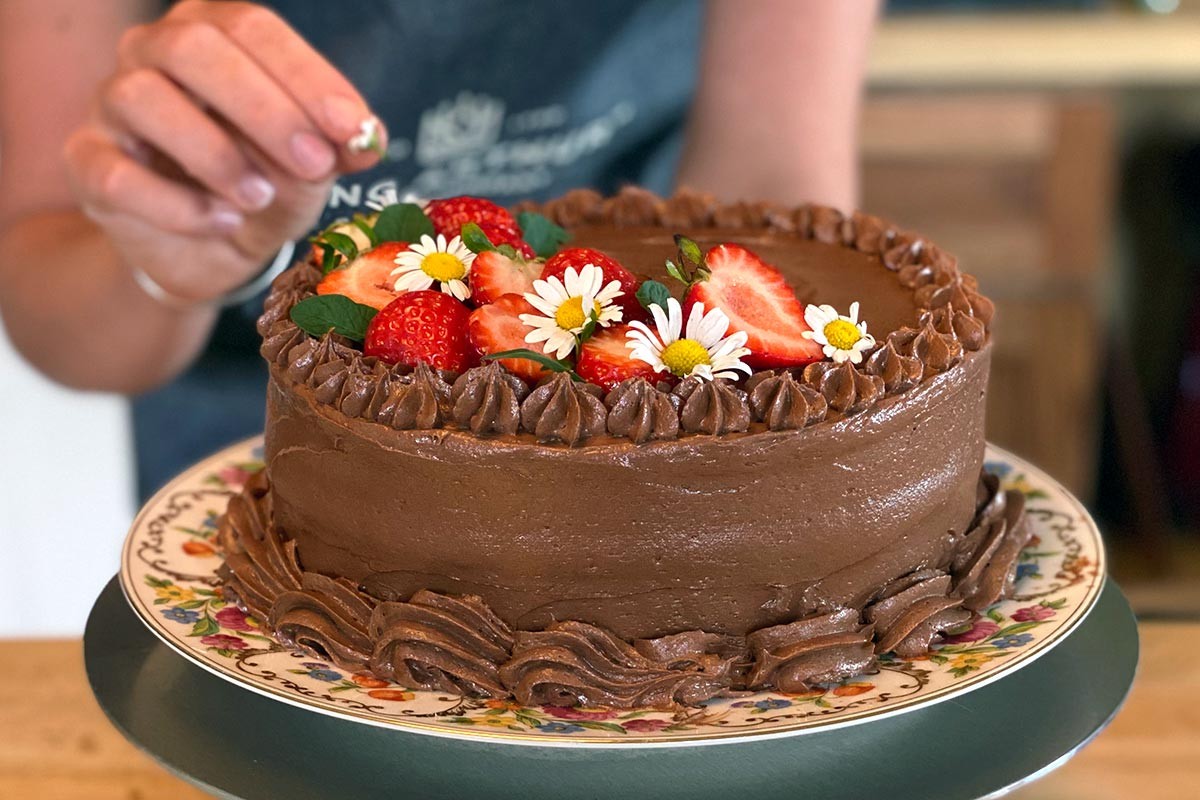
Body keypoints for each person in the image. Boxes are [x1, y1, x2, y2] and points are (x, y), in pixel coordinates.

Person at [0, 0, 878, 497]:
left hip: (641, 439)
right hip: (256, 454)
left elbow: (769, 195)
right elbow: (58, 309)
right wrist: (175, 251)